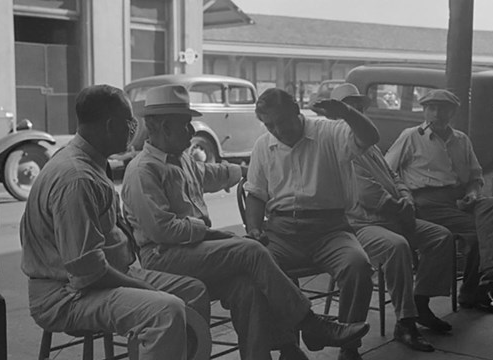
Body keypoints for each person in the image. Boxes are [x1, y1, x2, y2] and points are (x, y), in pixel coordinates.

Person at [121, 84, 369, 360]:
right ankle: (310, 324)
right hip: (164, 256)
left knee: (248, 288)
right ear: (164, 127)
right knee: (251, 251)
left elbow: (209, 174)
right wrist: (208, 233)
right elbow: (163, 230)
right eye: (185, 125)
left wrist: (245, 171)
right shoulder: (143, 170)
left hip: (192, 251)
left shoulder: (180, 160)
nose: (192, 132)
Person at [20, 84, 211, 360]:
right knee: (165, 311)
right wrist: (146, 289)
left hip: (103, 275)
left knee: (192, 291)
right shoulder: (77, 178)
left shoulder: (89, 161)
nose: (134, 129)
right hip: (66, 295)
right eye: (130, 123)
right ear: (111, 125)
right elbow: (87, 272)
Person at [244, 88, 379, 360]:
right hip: (281, 231)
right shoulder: (263, 145)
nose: (277, 130)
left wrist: (347, 113)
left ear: (296, 111)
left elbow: (370, 137)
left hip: (330, 229)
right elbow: (256, 193)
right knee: (259, 270)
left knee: (358, 266)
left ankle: (348, 346)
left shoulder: (329, 132)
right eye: (269, 125)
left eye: (281, 121)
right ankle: (289, 347)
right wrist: (254, 228)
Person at [332, 83, 454, 352]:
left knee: (440, 237)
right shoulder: (339, 145)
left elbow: (393, 175)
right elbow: (365, 193)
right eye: (350, 106)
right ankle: (405, 322)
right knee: (397, 246)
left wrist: (406, 198)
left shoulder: (369, 144)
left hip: (393, 217)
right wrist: (401, 207)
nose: (358, 111)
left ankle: (420, 302)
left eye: (360, 106)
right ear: (337, 114)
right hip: (361, 225)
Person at [385, 89, 493, 314]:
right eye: (432, 108)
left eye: (443, 108)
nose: (437, 113)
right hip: (426, 203)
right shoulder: (411, 136)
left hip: (459, 200)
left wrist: (472, 193)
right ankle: (477, 290)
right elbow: (386, 171)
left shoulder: (461, 140)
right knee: (483, 232)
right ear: (424, 110)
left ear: (452, 112)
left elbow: (475, 177)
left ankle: (491, 271)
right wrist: (404, 197)